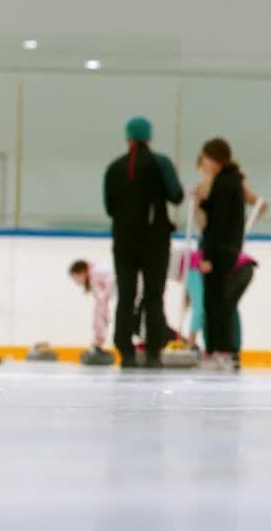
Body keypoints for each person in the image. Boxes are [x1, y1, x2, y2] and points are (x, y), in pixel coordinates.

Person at [104, 116, 184, 368]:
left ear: (127, 138)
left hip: (124, 242)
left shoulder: (114, 167)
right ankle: (152, 352)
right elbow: (176, 195)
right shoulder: (161, 164)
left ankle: (126, 352)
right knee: (154, 296)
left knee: (126, 296)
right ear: (149, 137)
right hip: (155, 242)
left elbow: (109, 207)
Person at [194, 138, 246, 370]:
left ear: (214, 159)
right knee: (218, 300)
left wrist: (208, 256)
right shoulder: (232, 181)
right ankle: (219, 349)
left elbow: (217, 224)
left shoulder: (225, 183)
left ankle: (218, 349)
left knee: (215, 301)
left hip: (219, 252)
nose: (203, 163)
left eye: (205, 158)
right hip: (228, 249)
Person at [69, 259, 115, 356]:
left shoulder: (95, 276)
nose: (76, 282)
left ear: (82, 272)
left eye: (75, 278)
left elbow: (101, 309)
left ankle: (98, 344)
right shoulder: (99, 269)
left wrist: (98, 340)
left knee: (99, 312)